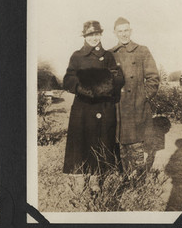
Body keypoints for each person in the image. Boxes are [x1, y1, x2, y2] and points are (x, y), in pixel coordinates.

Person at [62, 21, 125, 188]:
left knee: (100, 140)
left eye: (97, 34)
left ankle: (95, 177)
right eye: (90, 35)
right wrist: (82, 88)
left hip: (103, 106)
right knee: (81, 140)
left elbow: (118, 77)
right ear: (84, 36)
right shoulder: (77, 56)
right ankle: (79, 177)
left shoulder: (109, 56)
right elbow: (68, 79)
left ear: (101, 35)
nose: (94, 38)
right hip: (83, 106)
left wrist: (102, 87)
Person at [109, 17, 160, 174]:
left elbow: (153, 77)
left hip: (136, 106)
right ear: (115, 33)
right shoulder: (110, 54)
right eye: (120, 31)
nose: (124, 34)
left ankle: (139, 182)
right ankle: (123, 178)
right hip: (117, 107)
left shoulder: (142, 50)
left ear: (130, 31)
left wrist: (143, 97)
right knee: (119, 146)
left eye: (126, 31)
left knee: (137, 146)